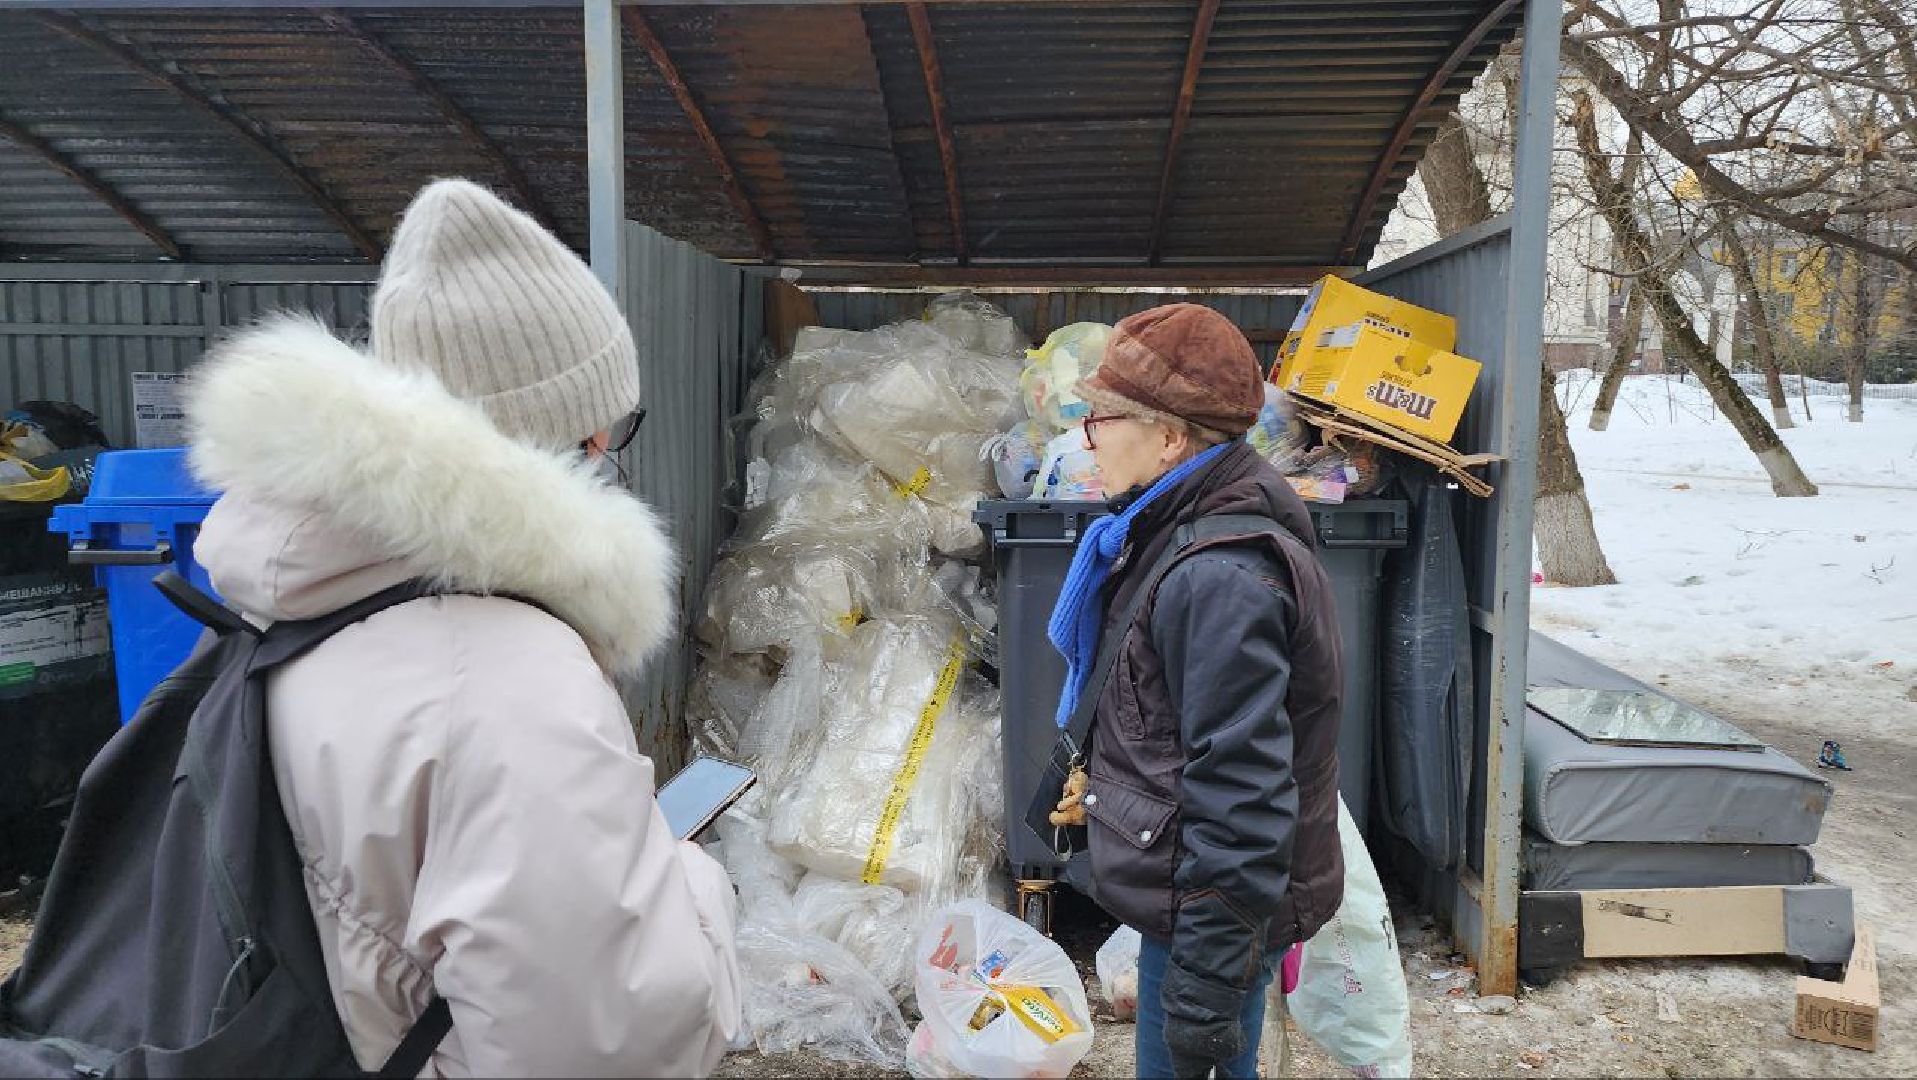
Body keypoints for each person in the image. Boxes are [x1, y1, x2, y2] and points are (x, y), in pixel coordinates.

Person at [182, 179, 743, 1077]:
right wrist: (692, 888)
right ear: (580, 437)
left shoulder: (284, 605)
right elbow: (610, 1045)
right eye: (612, 423)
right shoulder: (507, 682)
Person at [1046, 304, 1345, 1079]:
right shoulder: (1177, 528)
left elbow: (1241, 794)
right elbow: (1175, 730)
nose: (1089, 438)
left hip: (1209, 912)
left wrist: (1207, 982)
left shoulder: (1218, 576)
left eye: (1100, 418)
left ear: (1169, 439)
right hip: (1198, 895)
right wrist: (1104, 787)